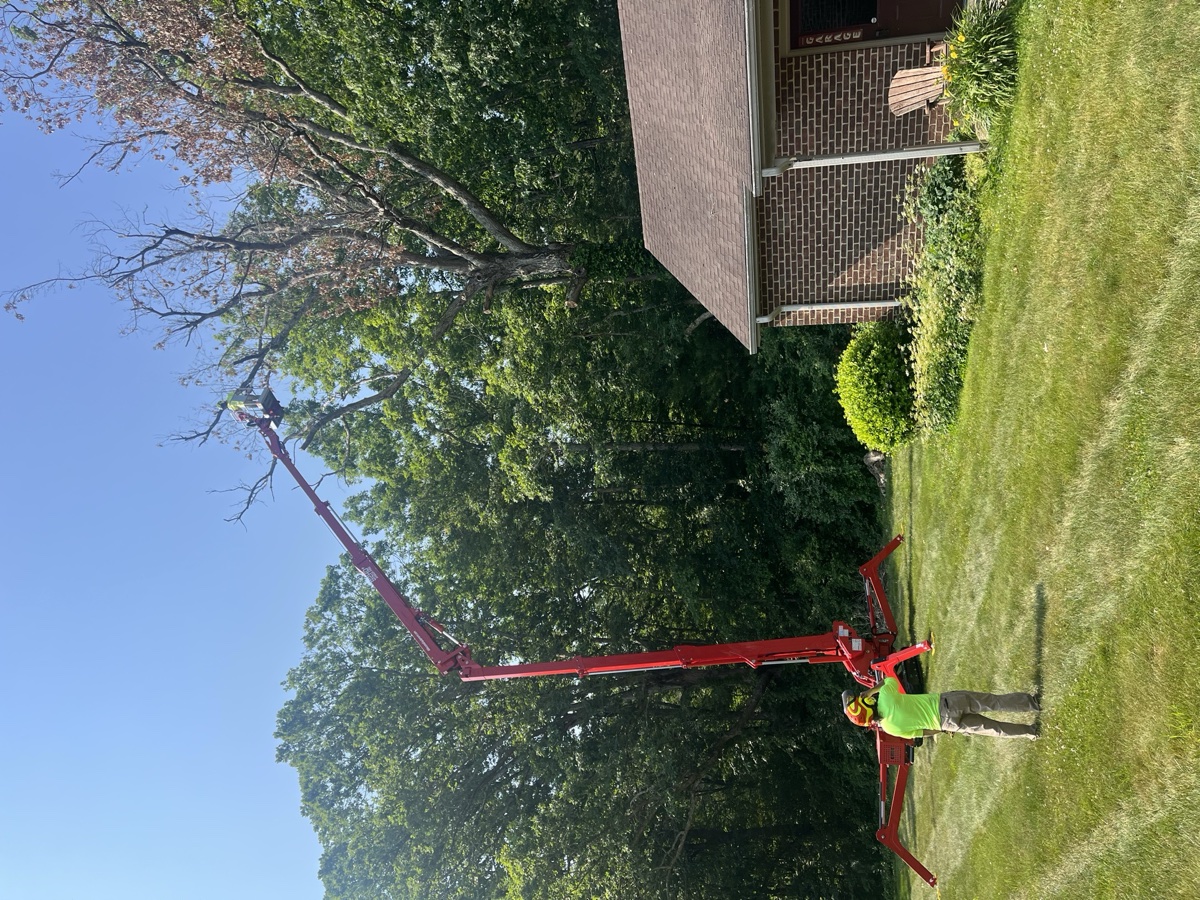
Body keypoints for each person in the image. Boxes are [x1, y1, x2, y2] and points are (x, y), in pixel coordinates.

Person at [842, 675, 1040, 740]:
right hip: (946, 703)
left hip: (947, 723)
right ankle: (1032, 703)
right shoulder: (885, 697)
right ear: (866, 703)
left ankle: (1031, 732)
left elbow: (923, 733)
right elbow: (889, 680)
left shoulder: (889, 728)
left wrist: (943, 728)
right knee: (992, 702)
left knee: (993, 729)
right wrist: (869, 692)